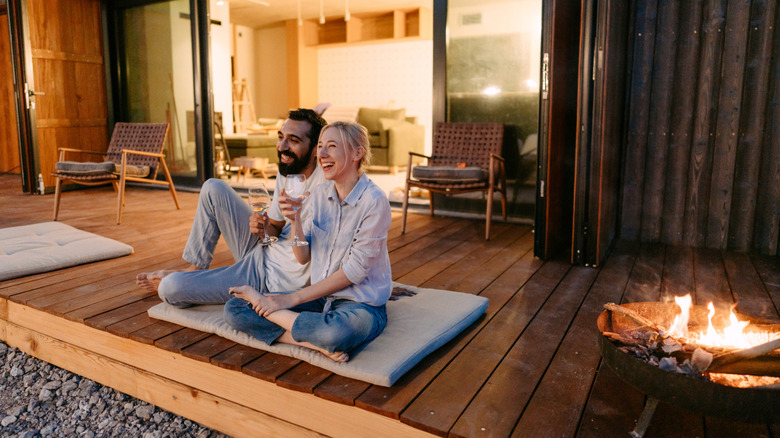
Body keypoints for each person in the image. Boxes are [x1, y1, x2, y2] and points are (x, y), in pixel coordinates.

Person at [224, 121, 392, 363]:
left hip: (360, 304)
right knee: (234, 309)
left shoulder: (374, 201)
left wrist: (290, 299)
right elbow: (303, 256)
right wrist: (296, 222)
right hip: (322, 298)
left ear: (357, 153)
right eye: (320, 146)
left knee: (336, 332)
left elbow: (354, 271)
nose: (321, 154)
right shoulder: (321, 194)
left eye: (331, 146)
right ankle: (318, 345)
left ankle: (318, 336)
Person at [135, 108, 328, 306]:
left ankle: (192, 282)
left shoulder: (329, 185)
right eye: (281, 137)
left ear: (316, 150)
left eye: (293, 140)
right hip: (262, 249)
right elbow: (276, 227)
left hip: (266, 278)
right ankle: (195, 269)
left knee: (170, 287)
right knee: (213, 187)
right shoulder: (288, 169)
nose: (282, 146)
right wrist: (263, 227)